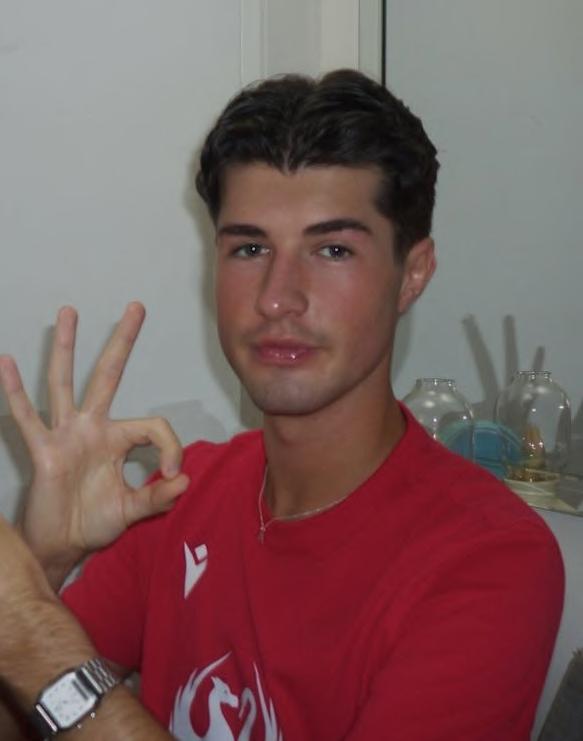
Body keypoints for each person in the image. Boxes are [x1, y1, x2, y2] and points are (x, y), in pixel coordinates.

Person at [0, 69, 564, 740]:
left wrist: (38, 637)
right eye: (249, 247)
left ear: (412, 272)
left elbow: (44, 665)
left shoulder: (490, 557)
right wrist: (41, 563)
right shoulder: (182, 494)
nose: (276, 297)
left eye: (332, 249)